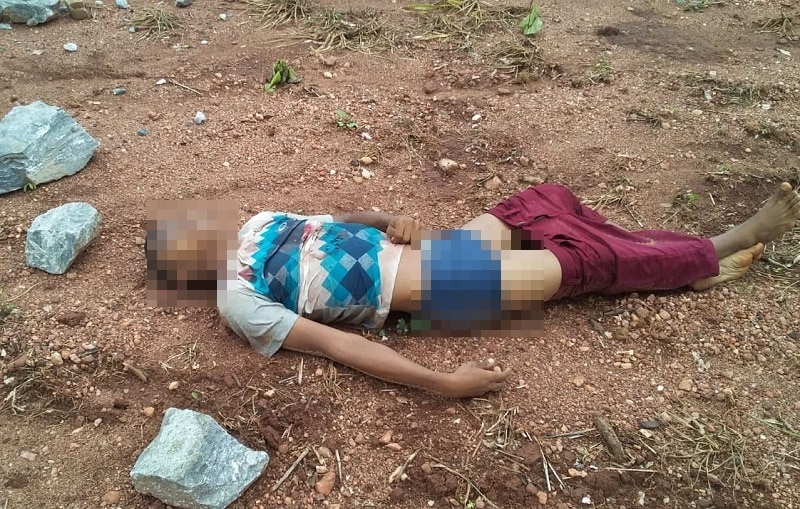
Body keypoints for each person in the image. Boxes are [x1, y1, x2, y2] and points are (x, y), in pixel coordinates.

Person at [145, 182, 800, 398]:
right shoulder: (237, 299)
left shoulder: (259, 223)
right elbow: (338, 347)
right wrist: (443, 383)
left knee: (541, 203)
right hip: (445, 288)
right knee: (584, 262)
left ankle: (675, 260)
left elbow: (336, 223)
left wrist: (385, 219)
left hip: (439, 251)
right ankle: (718, 247)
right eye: (184, 244)